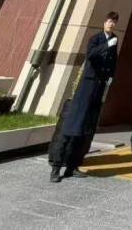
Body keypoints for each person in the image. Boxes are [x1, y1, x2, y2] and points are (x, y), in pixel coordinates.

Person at [50, 11, 119, 182]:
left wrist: (111, 76)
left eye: (114, 22)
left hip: (99, 88)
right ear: (104, 22)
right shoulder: (96, 39)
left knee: (85, 129)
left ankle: (72, 166)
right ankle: (56, 167)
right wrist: (107, 45)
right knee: (72, 126)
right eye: (109, 21)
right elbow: (91, 55)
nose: (111, 24)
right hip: (86, 87)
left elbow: (113, 61)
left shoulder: (115, 40)